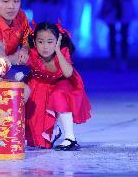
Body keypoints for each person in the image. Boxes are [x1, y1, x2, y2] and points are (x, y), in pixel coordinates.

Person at [25, 22, 91, 151]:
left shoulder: (62, 52)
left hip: (63, 83)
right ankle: (54, 131)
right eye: (41, 42)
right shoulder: (31, 53)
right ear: (34, 41)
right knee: (38, 141)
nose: (45, 47)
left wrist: (58, 51)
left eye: (50, 42)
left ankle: (70, 138)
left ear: (57, 41)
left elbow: (67, 73)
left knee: (58, 95)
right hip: (40, 84)